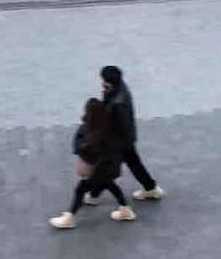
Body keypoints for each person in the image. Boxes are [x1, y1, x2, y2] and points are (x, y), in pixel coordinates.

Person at [49, 97, 135, 229]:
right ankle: (125, 209)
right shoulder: (109, 129)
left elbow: (81, 147)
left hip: (96, 168)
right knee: (109, 184)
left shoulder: (89, 130)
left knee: (81, 189)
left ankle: (69, 217)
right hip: (108, 167)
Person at [100, 65, 162, 201]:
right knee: (133, 163)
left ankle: (94, 194)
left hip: (119, 140)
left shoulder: (118, 103)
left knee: (105, 167)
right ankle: (150, 188)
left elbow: (120, 124)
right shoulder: (119, 90)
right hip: (125, 139)